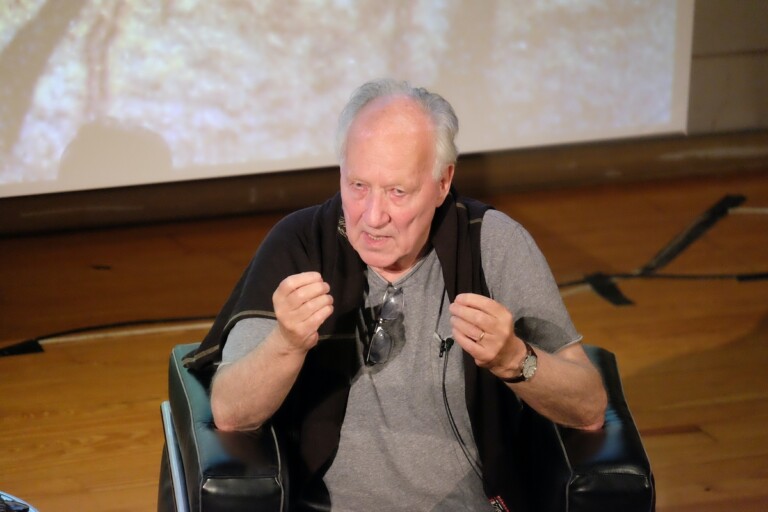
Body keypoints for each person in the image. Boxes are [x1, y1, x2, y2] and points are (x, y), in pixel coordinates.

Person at [185, 78, 607, 511]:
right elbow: (232, 413)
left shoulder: (493, 244)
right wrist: (286, 345)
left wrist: (515, 360)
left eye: (397, 191)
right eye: (358, 186)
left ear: (443, 182)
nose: (372, 216)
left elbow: (589, 406)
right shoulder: (300, 243)